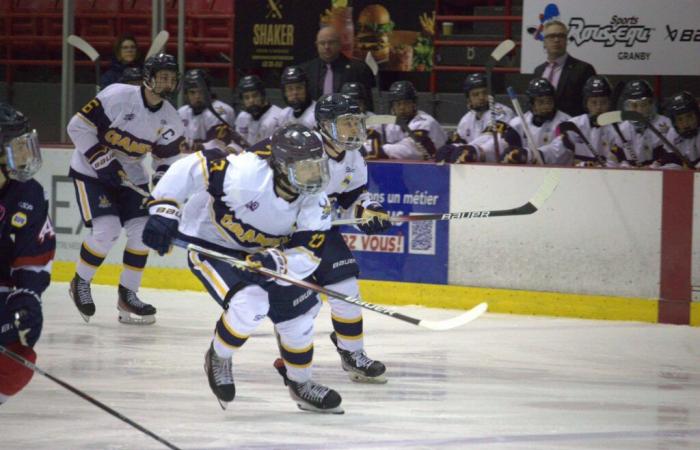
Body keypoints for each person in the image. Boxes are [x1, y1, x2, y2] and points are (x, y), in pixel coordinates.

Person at [142, 124, 344, 414]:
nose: (314, 177)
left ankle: (301, 384)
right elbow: (195, 164)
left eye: (317, 167)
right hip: (212, 244)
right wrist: (164, 208)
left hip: (265, 256)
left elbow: (309, 255)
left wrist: (278, 262)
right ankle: (219, 356)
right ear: (282, 166)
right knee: (251, 303)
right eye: (305, 169)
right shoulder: (244, 175)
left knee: (300, 317)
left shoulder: (316, 201)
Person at [272, 94, 390, 384]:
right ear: (325, 125)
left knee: (346, 286)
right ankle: (291, 359)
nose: (353, 129)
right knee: (299, 305)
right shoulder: (304, 149)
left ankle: (353, 353)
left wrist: (368, 211)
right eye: (346, 123)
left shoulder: (354, 158)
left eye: (356, 123)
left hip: (321, 232)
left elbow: (353, 199)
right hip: (283, 235)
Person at [66, 53, 185, 325]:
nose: (168, 83)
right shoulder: (117, 96)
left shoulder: (171, 119)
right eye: (162, 77)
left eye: (171, 77)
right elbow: (77, 126)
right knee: (107, 230)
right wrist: (100, 158)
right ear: (148, 78)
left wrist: (161, 184)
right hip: (90, 171)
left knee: (142, 233)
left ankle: (128, 295)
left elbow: (165, 159)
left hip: (131, 175)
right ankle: (80, 282)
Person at [0, 103, 55, 405]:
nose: (24, 154)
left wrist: (26, 297)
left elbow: (34, 255)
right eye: (15, 147)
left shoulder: (28, 193)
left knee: (15, 363)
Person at [538, 75, 621, 167]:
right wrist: (532, 154)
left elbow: (620, 162)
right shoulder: (574, 124)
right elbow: (555, 150)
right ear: (586, 103)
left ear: (610, 103)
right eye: (594, 102)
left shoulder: (619, 128)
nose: (598, 107)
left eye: (603, 102)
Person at [436, 73, 514, 163]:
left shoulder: (501, 112)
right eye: (475, 94)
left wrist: (466, 149)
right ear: (469, 99)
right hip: (476, 165)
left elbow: (490, 141)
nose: (481, 97)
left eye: (485, 93)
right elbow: (458, 142)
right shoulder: (466, 119)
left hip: (501, 166)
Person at [365, 80, 447, 160]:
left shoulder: (425, 122)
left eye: (406, 103)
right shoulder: (391, 123)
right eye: (398, 104)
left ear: (414, 104)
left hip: (439, 167)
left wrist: (380, 150)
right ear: (392, 106)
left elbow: (411, 151)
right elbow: (370, 133)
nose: (402, 108)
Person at [300, 26, 376, 111]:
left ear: (339, 44)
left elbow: (368, 104)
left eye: (331, 42)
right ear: (316, 45)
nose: (326, 47)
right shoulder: (306, 70)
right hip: (313, 120)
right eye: (322, 43)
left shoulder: (359, 69)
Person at [500, 77, 571, 165]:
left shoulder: (565, 123)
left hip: (557, 173)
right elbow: (503, 144)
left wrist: (529, 155)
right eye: (541, 102)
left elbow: (559, 150)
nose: (546, 106)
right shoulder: (518, 123)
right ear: (532, 104)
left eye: (549, 102)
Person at [533, 20, 596, 117]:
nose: (556, 40)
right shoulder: (538, 71)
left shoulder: (583, 69)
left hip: (572, 127)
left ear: (566, 41)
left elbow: (591, 105)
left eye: (561, 36)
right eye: (551, 36)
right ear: (544, 42)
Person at [609, 80, 673, 167]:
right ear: (627, 106)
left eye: (643, 104)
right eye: (634, 105)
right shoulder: (623, 128)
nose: (639, 110)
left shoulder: (665, 124)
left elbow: (671, 156)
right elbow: (616, 155)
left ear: (651, 103)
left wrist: (654, 166)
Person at [178, 69, 236, 153]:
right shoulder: (182, 112)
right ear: (186, 94)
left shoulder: (220, 111)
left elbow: (220, 146)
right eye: (192, 92)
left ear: (208, 91)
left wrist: (196, 147)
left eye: (201, 92)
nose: (197, 96)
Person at [234, 75, 285, 148]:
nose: (251, 100)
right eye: (246, 97)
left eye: (255, 96)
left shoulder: (279, 116)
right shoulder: (242, 117)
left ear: (262, 95)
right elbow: (239, 145)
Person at [656, 91, 700, 169]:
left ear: (697, 115)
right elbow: (670, 164)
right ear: (674, 122)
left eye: (689, 116)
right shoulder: (672, 134)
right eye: (680, 119)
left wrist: (695, 170)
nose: (686, 123)